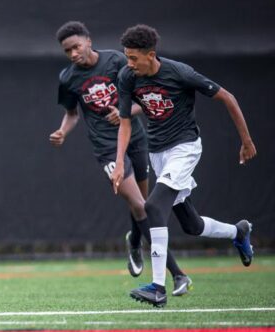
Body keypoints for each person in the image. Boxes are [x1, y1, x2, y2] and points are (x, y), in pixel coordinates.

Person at [113, 24, 256, 307]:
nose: (128, 63)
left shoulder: (180, 73)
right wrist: (119, 161)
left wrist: (247, 141)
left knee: (152, 207)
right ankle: (238, 232)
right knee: (192, 225)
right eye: (126, 57)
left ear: (150, 55)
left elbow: (228, 98)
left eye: (133, 58)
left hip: (185, 148)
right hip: (158, 154)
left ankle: (158, 287)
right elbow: (126, 122)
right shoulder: (127, 77)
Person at [50, 22, 193, 295]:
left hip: (137, 140)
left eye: (76, 47)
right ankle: (178, 275)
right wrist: (62, 132)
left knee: (146, 206)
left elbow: (142, 98)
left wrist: (127, 112)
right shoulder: (68, 78)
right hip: (106, 147)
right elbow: (72, 114)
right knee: (140, 206)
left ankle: (135, 240)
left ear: (88, 41)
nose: (72, 54)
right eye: (67, 50)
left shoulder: (116, 60)